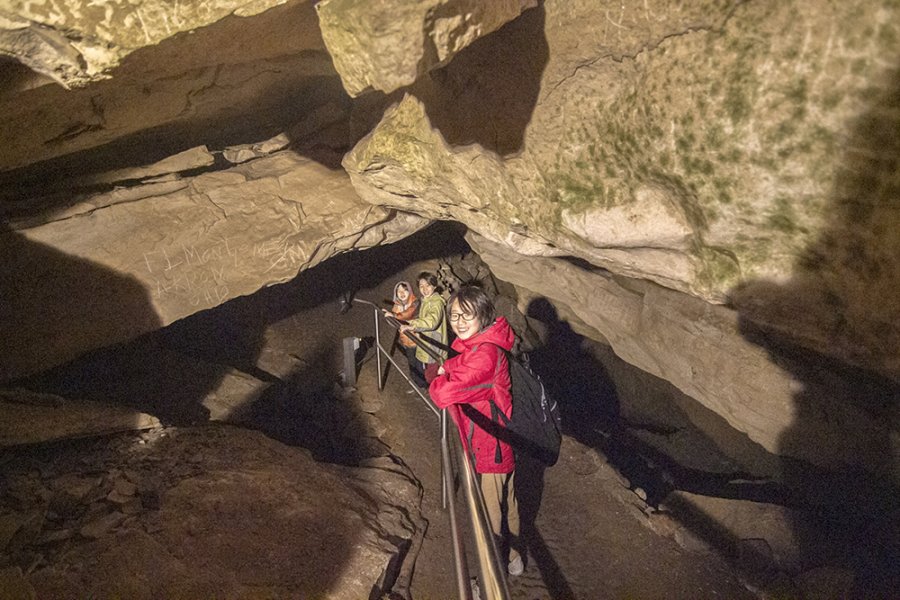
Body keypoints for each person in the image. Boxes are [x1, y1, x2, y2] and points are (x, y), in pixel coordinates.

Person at [427, 285, 524, 576]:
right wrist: (445, 368)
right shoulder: (482, 346)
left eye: (466, 315)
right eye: (455, 315)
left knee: (490, 512)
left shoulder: (485, 354)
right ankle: (515, 559)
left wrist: (437, 376)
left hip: (490, 445)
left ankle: (492, 574)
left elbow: (443, 394)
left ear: (482, 315)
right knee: (509, 502)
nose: (458, 321)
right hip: (496, 439)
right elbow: (457, 364)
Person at [399, 272, 448, 388]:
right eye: (421, 286)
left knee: (432, 374)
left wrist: (413, 325)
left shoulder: (436, 303)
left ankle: (437, 397)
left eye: (428, 285)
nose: (425, 289)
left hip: (434, 344)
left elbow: (432, 321)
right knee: (426, 369)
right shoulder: (426, 300)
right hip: (428, 340)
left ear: (434, 286)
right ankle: (431, 391)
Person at [382, 281, 424, 388]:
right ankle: (415, 384)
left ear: (409, 291)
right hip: (406, 340)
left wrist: (394, 315)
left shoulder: (416, 302)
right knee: (411, 363)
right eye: (399, 291)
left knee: (420, 365)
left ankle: (424, 386)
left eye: (404, 290)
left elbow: (408, 314)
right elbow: (393, 322)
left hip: (418, 340)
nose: (402, 293)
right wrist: (389, 317)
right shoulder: (398, 304)